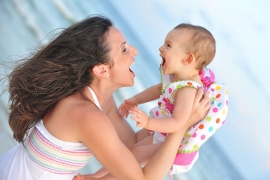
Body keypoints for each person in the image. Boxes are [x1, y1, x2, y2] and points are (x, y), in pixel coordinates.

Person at [0, 16, 210, 180]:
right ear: (101, 70)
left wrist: (175, 119)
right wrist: (182, 125)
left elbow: (132, 144)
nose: (135, 51)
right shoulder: (86, 115)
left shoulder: (97, 101)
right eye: (124, 49)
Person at [116, 23, 229, 177]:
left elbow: (178, 122)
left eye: (168, 45)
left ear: (188, 59)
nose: (161, 48)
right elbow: (159, 89)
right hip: (162, 130)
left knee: (133, 155)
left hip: (169, 140)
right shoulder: (177, 77)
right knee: (130, 149)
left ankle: (95, 178)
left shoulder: (189, 89)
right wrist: (135, 99)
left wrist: (147, 122)